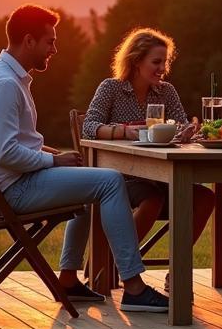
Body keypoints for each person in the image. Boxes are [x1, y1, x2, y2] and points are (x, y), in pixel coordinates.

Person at [0, 4, 169, 312]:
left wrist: (53, 155)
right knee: (111, 181)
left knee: (90, 179)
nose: (54, 49)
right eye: (50, 41)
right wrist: (53, 162)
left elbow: (15, 144)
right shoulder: (4, 84)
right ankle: (135, 288)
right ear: (29, 40)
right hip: (15, 190)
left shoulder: (2, 75)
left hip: (14, 183)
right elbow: (6, 153)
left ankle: (69, 280)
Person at [80, 27, 214, 253]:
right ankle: (119, 263)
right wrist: (123, 131)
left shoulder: (166, 91)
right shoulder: (111, 88)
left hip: (162, 175)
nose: (162, 68)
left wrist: (188, 131)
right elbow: (89, 126)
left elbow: (180, 124)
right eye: (156, 62)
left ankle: (177, 270)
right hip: (121, 177)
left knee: (205, 198)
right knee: (152, 199)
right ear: (136, 60)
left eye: (165, 62)